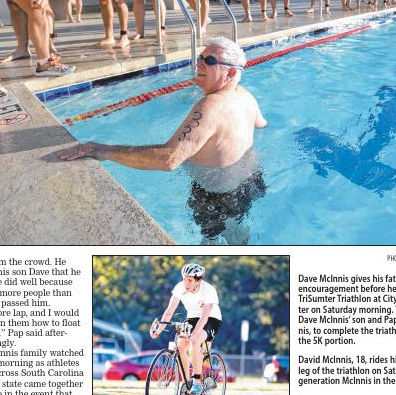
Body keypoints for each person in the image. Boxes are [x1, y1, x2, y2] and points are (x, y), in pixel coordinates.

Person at [57, 36, 267, 243]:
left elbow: (169, 159)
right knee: (239, 230)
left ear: (230, 72)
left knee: (210, 239)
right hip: (251, 181)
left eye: (209, 61)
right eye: (200, 57)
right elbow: (261, 124)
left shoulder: (210, 107)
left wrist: (102, 151)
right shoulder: (245, 95)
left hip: (216, 195)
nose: (199, 63)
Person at [150, 261, 222, 395]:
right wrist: (158, 330)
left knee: (195, 340)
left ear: (198, 281)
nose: (186, 283)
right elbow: (170, 310)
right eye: (184, 280)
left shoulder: (209, 290)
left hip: (211, 319)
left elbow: (205, 316)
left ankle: (197, 381)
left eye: (189, 280)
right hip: (192, 318)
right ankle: (187, 384)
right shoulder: (179, 288)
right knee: (181, 345)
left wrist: (194, 334)